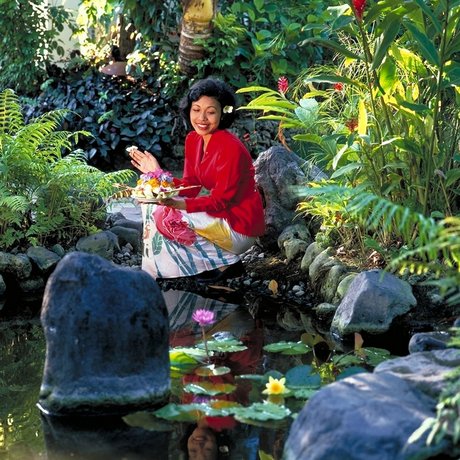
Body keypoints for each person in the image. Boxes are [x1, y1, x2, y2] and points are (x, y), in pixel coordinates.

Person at [129, 77, 265, 281]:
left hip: (239, 225)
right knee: (153, 207)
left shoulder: (230, 148)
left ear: (222, 114)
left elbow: (220, 201)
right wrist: (157, 174)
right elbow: (190, 186)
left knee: (167, 215)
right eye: (196, 109)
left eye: (211, 112)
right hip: (222, 216)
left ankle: (226, 262)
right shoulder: (193, 140)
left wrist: (177, 204)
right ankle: (169, 270)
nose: (202, 118)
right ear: (189, 110)